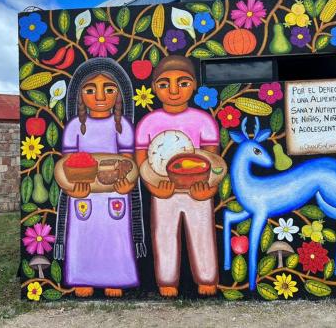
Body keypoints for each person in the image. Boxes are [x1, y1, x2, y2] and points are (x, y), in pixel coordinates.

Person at [54, 57, 146, 298]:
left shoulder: (122, 126)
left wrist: (127, 184)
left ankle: (114, 278)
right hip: (83, 193)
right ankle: (84, 277)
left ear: (119, 94)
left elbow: (129, 161)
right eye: (90, 89)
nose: (100, 96)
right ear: (79, 95)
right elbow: (65, 164)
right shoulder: (75, 127)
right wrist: (72, 190)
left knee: (114, 237)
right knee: (84, 237)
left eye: (109, 89)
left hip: (115, 193)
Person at [135, 55, 219, 297]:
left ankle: (207, 278)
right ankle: (167, 280)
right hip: (163, 189)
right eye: (164, 84)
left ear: (193, 85)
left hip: (197, 190)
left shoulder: (204, 121)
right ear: (154, 88)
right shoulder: (149, 122)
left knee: (202, 233)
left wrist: (209, 187)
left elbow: (213, 160)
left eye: (182, 83)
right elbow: (142, 159)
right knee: (164, 234)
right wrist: (153, 187)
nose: (173, 91)